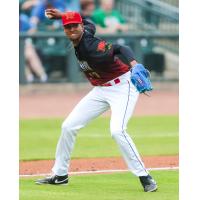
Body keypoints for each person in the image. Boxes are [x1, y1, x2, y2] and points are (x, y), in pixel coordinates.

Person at [35, 9, 157, 193]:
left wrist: (134, 64)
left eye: (75, 26)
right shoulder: (87, 29)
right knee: (68, 126)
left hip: (122, 87)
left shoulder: (91, 46)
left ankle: (145, 177)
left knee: (117, 130)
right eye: (67, 27)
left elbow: (120, 48)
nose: (71, 29)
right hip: (101, 89)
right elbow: (89, 22)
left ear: (81, 27)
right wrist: (62, 16)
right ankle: (60, 175)